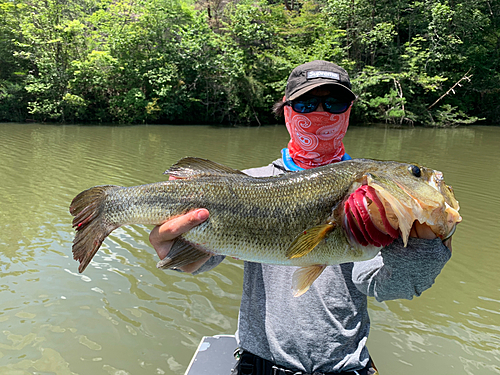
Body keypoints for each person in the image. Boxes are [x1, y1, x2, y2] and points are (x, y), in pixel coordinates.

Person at [149, 60, 452, 374]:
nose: (321, 114)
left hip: (344, 368)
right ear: (287, 112)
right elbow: (203, 260)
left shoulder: (373, 201)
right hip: (260, 366)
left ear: (348, 112)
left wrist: (423, 252)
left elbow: (386, 285)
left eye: (334, 103)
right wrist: (178, 252)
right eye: (306, 104)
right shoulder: (249, 181)